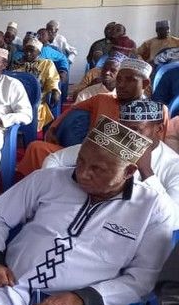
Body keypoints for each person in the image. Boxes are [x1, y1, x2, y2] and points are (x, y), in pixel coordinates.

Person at [0, 116, 174, 305]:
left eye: (97, 169)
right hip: (14, 288)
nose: (83, 173)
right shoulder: (47, 180)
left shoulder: (152, 209)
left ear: (129, 171)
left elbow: (144, 278)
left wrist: (82, 300)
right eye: (81, 161)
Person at [17, 58, 165, 175]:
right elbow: (72, 109)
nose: (121, 85)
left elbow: (159, 146)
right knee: (36, 148)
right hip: (86, 153)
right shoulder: (102, 99)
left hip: (127, 164)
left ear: (145, 83)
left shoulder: (157, 111)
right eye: (119, 79)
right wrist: (54, 129)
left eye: (129, 80)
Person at [43, 100, 179, 208]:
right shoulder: (110, 144)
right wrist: (63, 191)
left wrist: (146, 172)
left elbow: (174, 219)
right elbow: (54, 159)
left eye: (136, 130)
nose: (126, 136)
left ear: (159, 129)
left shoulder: (174, 165)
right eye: (123, 128)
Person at [11, 38, 60, 131]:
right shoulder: (17, 63)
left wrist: (55, 90)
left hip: (38, 97)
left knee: (39, 108)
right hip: (17, 97)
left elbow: (53, 79)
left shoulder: (46, 63)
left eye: (31, 51)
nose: (28, 53)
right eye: (26, 50)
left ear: (39, 52)